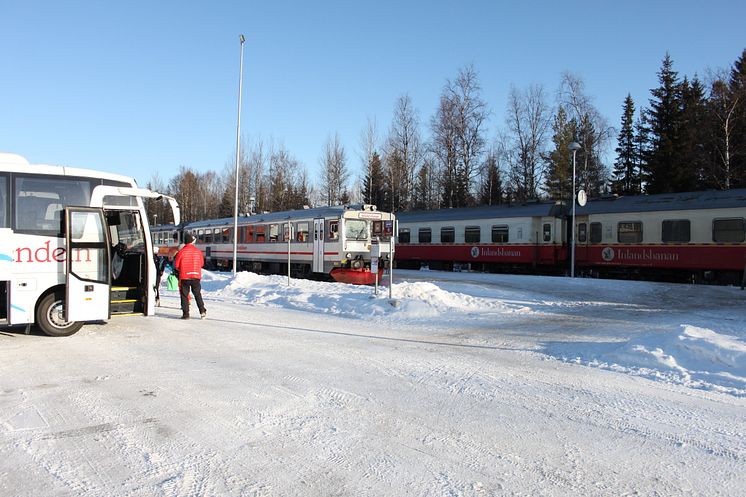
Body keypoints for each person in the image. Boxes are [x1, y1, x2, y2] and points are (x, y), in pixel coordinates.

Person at [174, 232, 206, 319]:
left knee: (184, 295)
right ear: (192, 241)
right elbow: (202, 264)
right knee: (197, 294)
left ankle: (186, 314)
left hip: (185, 276)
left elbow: (176, 265)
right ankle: (202, 311)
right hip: (196, 276)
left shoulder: (181, 252)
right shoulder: (198, 251)